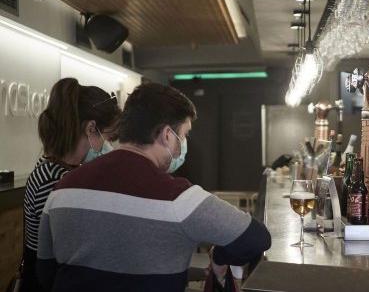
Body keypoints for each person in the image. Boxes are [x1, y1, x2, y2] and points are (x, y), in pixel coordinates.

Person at [36, 83, 271, 291]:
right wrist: (219, 256)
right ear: (167, 135)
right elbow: (257, 238)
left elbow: (45, 273)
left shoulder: (62, 189)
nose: (183, 145)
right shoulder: (181, 199)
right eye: (184, 135)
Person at [21, 78, 119, 292]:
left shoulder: (55, 169)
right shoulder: (56, 180)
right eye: (107, 137)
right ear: (91, 128)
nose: (107, 146)